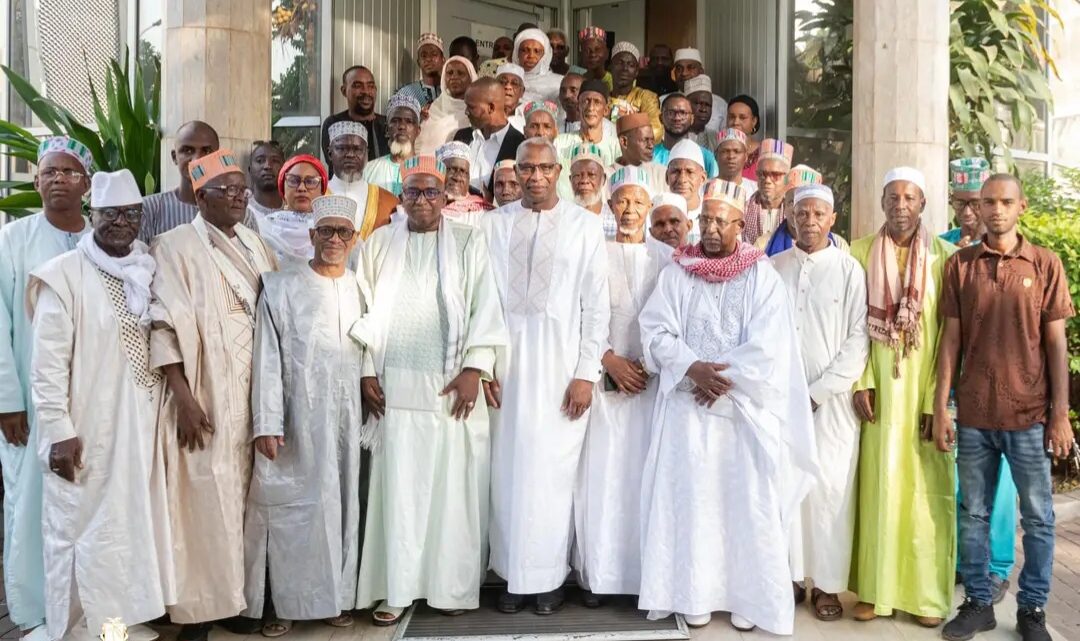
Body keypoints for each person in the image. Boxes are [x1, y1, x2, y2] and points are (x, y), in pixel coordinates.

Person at [637, 178, 816, 633]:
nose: (712, 228)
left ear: (741, 224)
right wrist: (692, 368)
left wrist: (719, 379)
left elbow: (770, 346)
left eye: (722, 220)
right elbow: (655, 331)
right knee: (692, 502)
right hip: (687, 412)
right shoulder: (679, 271)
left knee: (745, 505)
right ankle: (692, 593)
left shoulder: (761, 275)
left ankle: (747, 598)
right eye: (706, 219)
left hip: (741, 414)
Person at [353, 155, 509, 624]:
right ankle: (397, 588)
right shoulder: (378, 243)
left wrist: (475, 368)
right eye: (414, 192)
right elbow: (360, 309)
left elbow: (486, 305)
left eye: (431, 192)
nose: (422, 201)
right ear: (401, 198)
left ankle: (449, 587)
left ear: (446, 197)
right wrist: (365, 370)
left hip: (451, 387)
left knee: (452, 489)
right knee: (399, 490)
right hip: (395, 385)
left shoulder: (468, 239)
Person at [29, 168, 171, 641]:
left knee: (126, 526)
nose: (121, 224)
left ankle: (117, 624)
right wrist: (58, 431)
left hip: (139, 423)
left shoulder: (146, 266)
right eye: (111, 214)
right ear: (93, 214)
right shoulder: (63, 276)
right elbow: (46, 367)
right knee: (80, 529)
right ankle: (75, 628)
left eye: (131, 215)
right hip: (86, 427)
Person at [937, 174, 1073, 641]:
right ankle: (979, 602)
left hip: (1029, 417)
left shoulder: (1046, 263)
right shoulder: (960, 266)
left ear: (1022, 207)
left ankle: (1032, 609)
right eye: (987, 201)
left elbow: (1058, 345)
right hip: (974, 413)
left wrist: (1060, 415)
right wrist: (941, 408)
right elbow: (949, 341)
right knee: (971, 513)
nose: (995, 210)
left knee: (1037, 517)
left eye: (1005, 202)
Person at [148, 149, 278, 641]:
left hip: (252, 383)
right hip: (204, 388)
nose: (240, 197)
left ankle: (237, 599)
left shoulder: (254, 242)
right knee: (205, 496)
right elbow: (161, 323)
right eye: (228, 190)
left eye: (243, 190)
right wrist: (182, 395)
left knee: (247, 495)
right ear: (201, 197)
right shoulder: (172, 245)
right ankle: (198, 614)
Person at [482, 138, 610, 615]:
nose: (534, 177)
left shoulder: (583, 226)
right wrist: (486, 363)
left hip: (561, 369)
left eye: (543, 169)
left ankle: (550, 578)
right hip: (507, 367)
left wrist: (585, 373)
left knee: (553, 472)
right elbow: (484, 298)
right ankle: (514, 576)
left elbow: (596, 306)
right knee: (508, 470)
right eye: (526, 169)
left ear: (557, 171)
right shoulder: (493, 225)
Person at [242, 194, 366, 635]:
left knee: (341, 509)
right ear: (311, 236)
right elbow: (268, 359)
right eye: (326, 231)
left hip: (348, 421)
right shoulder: (280, 286)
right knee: (293, 512)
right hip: (296, 420)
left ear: (354, 239)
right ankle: (286, 603)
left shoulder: (359, 287)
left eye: (343, 233)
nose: (334, 239)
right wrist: (268, 422)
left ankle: (334, 598)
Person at [848, 167, 956, 628]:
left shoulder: (946, 259)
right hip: (879, 397)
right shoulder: (857, 254)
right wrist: (862, 381)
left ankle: (925, 596)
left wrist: (937, 400)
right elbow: (852, 330)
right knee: (876, 492)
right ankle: (874, 592)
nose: (900, 205)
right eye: (892, 197)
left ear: (923, 204)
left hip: (925, 397)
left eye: (909, 197)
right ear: (882, 202)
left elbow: (953, 337)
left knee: (924, 497)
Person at [0, 136, 93, 639]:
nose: (58, 179)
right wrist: (7, 400)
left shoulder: (99, 237)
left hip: (91, 401)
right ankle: (35, 610)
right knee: (29, 500)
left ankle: (84, 602)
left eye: (68, 171)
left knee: (86, 502)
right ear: (36, 182)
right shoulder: (13, 239)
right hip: (31, 409)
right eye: (49, 172)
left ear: (86, 184)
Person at [771, 183, 868, 622]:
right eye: (801, 213)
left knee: (829, 490)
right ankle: (789, 575)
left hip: (832, 405)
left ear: (832, 220)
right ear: (790, 217)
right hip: (778, 400)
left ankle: (826, 585)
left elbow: (858, 342)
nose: (809, 221)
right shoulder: (772, 267)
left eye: (818, 214)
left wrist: (817, 392)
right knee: (784, 486)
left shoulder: (849, 270)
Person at [573, 167, 666, 606]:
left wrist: (645, 367)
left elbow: (675, 320)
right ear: (610, 206)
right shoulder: (594, 252)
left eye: (638, 203)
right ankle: (598, 578)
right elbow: (580, 314)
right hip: (605, 387)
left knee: (641, 483)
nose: (629, 210)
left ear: (650, 208)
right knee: (602, 481)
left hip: (648, 389)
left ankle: (642, 578)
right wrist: (608, 360)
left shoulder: (666, 258)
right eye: (622, 202)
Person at [139, 120, 219, 242]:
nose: (197, 159)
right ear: (174, 157)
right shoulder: (149, 210)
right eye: (188, 150)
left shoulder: (239, 213)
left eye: (207, 151)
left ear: (218, 157)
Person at [325, 122, 398, 241]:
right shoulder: (315, 197)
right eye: (342, 148)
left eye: (358, 149)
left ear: (367, 155)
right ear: (329, 153)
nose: (350, 155)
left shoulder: (389, 202)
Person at [453, 77, 526, 196]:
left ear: (491, 108)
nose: (466, 112)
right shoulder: (462, 137)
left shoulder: (519, 145)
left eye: (471, 107)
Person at [255, 154, 329, 266]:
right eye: (294, 181)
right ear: (283, 189)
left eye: (310, 182)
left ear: (322, 191)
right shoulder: (261, 229)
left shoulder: (333, 232)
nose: (301, 188)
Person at [554, 79, 621, 198]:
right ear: (578, 107)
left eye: (597, 102)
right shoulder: (560, 143)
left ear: (605, 110)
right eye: (586, 101)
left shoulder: (616, 146)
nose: (591, 107)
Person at [763, 165, 848, 256]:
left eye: (817, 213)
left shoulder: (839, 245)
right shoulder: (764, 243)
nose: (797, 209)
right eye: (792, 202)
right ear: (784, 205)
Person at [321, 66, 388, 163]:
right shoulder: (334, 124)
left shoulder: (388, 125)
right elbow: (338, 165)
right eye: (357, 86)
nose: (366, 91)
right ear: (344, 91)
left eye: (370, 86)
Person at [415, 56, 478, 154]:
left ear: (471, 78)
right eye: (450, 73)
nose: (454, 77)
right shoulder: (433, 108)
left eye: (460, 73)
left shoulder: (475, 111)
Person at [363, 93, 422, 197]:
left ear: (418, 130)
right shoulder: (368, 170)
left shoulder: (427, 170)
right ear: (386, 129)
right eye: (395, 121)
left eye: (409, 122)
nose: (402, 126)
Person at [653, 94, 719, 178]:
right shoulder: (650, 155)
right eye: (671, 113)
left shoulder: (705, 156)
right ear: (660, 118)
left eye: (683, 113)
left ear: (692, 119)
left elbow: (713, 187)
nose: (677, 118)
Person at [743, 139, 794, 245]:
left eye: (775, 175)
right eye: (762, 174)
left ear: (787, 177)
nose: (767, 180)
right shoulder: (743, 210)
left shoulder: (795, 213)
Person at [608, 42, 663, 141]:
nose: (624, 69)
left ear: (637, 71)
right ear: (610, 67)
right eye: (620, 63)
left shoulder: (646, 97)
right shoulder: (601, 98)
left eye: (631, 65)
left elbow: (656, 131)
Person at [663, 49, 726, 129]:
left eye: (691, 68)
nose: (684, 73)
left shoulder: (720, 105)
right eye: (679, 68)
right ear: (674, 74)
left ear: (701, 72)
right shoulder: (663, 101)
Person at [610, 112, 667, 196]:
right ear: (624, 142)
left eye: (652, 140)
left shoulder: (660, 174)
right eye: (645, 140)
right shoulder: (607, 175)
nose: (651, 146)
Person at [664, 139, 709, 244]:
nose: (682, 179)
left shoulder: (712, 214)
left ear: (703, 178)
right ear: (666, 177)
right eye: (676, 171)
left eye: (690, 172)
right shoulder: (656, 212)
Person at [437, 142, 495, 221]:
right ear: (438, 172)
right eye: (451, 170)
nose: (457, 178)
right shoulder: (426, 206)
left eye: (463, 171)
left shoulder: (483, 211)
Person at [568, 144, 615, 238]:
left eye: (591, 175)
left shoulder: (615, 219)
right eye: (577, 175)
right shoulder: (563, 218)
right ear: (570, 180)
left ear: (603, 179)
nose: (584, 180)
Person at [942, 157, 990, 248]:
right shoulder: (942, 243)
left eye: (975, 204)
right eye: (960, 204)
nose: (967, 212)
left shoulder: (997, 245)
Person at [513, 28, 563, 104]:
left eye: (537, 51)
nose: (531, 56)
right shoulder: (506, 81)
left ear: (545, 55)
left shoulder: (559, 82)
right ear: (517, 53)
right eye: (525, 50)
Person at [396, 33, 445, 108]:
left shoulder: (451, 92)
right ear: (418, 62)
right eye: (424, 55)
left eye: (434, 54)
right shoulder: (405, 94)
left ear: (443, 60)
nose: (428, 59)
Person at [246, 140, 285, 225]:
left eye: (275, 161)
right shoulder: (242, 211)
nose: (268, 166)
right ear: (250, 170)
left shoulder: (294, 209)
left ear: (285, 169)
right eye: (260, 161)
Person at [727, 95, 763, 180]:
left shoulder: (765, 152)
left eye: (742, 118)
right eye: (731, 117)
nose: (736, 122)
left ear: (754, 121)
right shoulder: (720, 152)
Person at [714, 128, 758, 196]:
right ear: (716, 155)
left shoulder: (756, 191)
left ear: (746, 156)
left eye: (737, 151)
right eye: (725, 151)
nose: (731, 156)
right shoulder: (703, 188)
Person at [685, 76, 718, 145]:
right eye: (698, 103)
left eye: (708, 105)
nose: (703, 109)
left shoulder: (716, 138)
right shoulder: (674, 136)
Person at [496, 63, 528, 130]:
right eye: (502, 82)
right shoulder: (484, 110)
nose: (508, 87)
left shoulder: (529, 114)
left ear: (522, 91)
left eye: (514, 83)